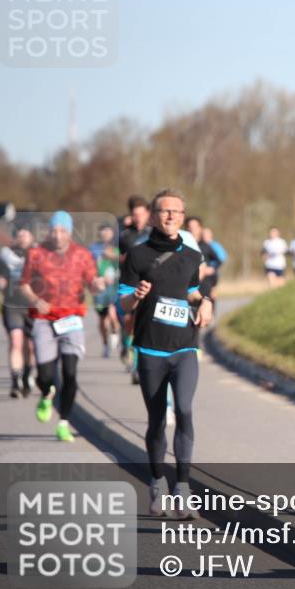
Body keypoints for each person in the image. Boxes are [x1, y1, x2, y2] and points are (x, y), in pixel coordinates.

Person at [119, 189, 213, 519]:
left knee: (184, 410)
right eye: (164, 211)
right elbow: (125, 302)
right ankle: (158, 483)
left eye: (176, 211)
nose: (170, 216)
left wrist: (206, 303)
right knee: (157, 419)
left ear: (183, 216)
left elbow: (191, 292)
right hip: (149, 348)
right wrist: (137, 296)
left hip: (185, 347)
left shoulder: (191, 255)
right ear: (154, 216)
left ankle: (183, 488)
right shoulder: (137, 255)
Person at [19, 211, 106, 442]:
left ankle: (64, 423)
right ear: (49, 231)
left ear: (69, 232)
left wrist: (98, 285)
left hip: (71, 320)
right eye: (54, 231)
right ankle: (46, 394)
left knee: (70, 372)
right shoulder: (36, 253)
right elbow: (24, 285)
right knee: (45, 375)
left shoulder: (82, 254)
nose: (58, 236)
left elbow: (92, 281)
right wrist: (37, 301)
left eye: (63, 231)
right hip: (44, 319)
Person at [0, 226, 36, 398]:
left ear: (32, 237)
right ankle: (15, 380)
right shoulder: (5, 255)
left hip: (33, 306)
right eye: (20, 234)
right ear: (15, 238)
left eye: (26, 234)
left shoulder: (39, 254)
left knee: (30, 346)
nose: (23, 237)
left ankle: (26, 375)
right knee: (16, 340)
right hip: (12, 304)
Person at [118, 196, 151, 382]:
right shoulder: (124, 235)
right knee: (129, 321)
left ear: (147, 213)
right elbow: (113, 254)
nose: (138, 217)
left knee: (142, 324)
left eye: (141, 213)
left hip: (147, 284)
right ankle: (127, 343)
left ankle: (137, 366)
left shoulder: (153, 233)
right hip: (128, 283)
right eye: (134, 214)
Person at [89, 223, 121, 358]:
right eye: (103, 232)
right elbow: (88, 266)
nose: (105, 234)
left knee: (113, 314)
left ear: (113, 234)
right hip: (99, 289)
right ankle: (105, 344)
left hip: (114, 287)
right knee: (102, 318)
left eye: (108, 232)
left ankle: (114, 333)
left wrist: (112, 257)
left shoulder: (117, 248)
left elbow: (123, 262)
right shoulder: (93, 248)